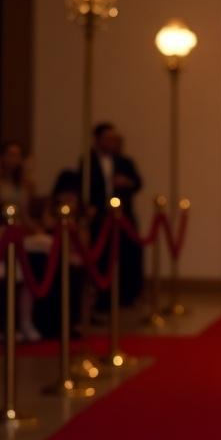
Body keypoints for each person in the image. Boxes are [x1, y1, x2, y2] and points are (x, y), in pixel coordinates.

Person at [83, 122, 144, 308]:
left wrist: (126, 182)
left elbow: (138, 183)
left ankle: (126, 295)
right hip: (101, 216)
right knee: (102, 257)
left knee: (127, 255)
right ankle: (102, 298)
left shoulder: (124, 162)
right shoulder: (88, 162)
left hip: (122, 215)